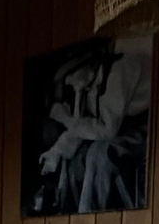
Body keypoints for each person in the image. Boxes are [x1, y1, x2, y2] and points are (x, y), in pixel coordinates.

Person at [38, 49, 150, 212]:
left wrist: (65, 118)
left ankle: (90, 213)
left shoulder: (120, 69)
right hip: (123, 130)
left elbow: (107, 129)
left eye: (70, 74)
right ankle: (68, 212)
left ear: (88, 64)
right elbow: (82, 127)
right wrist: (56, 152)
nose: (68, 82)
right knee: (76, 158)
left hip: (153, 129)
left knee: (98, 154)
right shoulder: (86, 86)